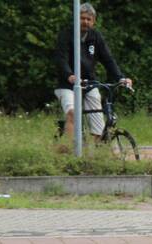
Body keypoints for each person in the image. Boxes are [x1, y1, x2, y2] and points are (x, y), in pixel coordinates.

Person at [53, 3, 131, 144]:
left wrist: (121, 78)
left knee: (98, 121)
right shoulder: (66, 35)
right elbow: (60, 59)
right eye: (82, 18)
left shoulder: (96, 37)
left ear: (94, 21)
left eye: (89, 19)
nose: (85, 22)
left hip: (89, 83)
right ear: (76, 19)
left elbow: (108, 60)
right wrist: (69, 75)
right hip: (67, 84)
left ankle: (98, 153)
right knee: (73, 114)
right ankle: (71, 151)